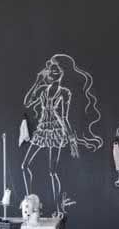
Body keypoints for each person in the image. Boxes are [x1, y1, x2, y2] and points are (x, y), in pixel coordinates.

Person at [22, 53, 102, 213]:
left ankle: (58, 208)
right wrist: (38, 82)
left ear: (62, 73)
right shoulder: (43, 90)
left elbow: (64, 117)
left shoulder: (65, 92)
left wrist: (72, 138)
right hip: (42, 130)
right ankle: (29, 204)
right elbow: (27, 101)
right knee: (24, 165)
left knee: (52, 171)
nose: (53, 73)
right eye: (51, 70)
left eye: (57, 70)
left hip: (57, 131)